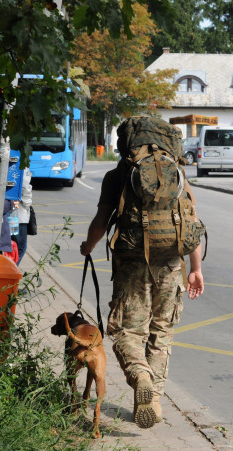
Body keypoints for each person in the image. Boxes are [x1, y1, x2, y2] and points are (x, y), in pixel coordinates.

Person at [80, 165, 204, 429]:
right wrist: (196, 269)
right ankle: (154, 400)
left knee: (128, 330)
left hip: (132, 266)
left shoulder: (117, 176)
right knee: (162, 331)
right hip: (171, 265)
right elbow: (192, 221)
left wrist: (88, 246)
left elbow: (102, 219)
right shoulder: (175, 171)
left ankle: (140, 376)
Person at [12, 168, 32, 265]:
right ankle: (10, 271)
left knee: (12, 245)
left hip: (11, 213)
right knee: (20, 247)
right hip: (18, 215)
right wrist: (27, 205)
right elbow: (25, 188)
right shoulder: (21, 165)